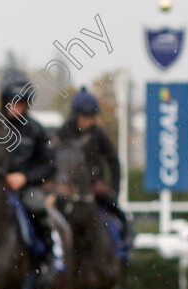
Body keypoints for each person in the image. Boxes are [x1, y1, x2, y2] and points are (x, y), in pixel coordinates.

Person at [0, 71, 63, 284]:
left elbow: (49, 164)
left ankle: (47, 257)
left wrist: (24, 177)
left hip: (26, 188)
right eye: (12, 102)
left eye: (21, 103)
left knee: (36, 206)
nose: (16, 107)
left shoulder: (36, 130)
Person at [55, 86, 131, 257]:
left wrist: (113, 190)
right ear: (76, 116)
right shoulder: (63, 133)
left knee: (120, 215)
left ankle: (123, 248)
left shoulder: (99, 135)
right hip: (68, 189)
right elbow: (54, 160)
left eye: (92, 117)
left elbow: (113, 162)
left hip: (94, 186)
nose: (89, 121)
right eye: (86, 117)